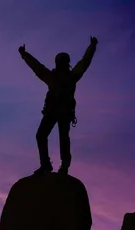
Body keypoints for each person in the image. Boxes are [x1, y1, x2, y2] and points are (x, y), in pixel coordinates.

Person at [19, 36, 98, 175]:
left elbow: (85, 61)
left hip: (61, 112)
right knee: (45, 136)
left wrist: (92, 46)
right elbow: (38, 67)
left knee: (57, 138)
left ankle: (60, 166)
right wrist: (25, 55)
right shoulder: (62, 76)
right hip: (55, 112)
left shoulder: (68, 76)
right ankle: (49, 165)